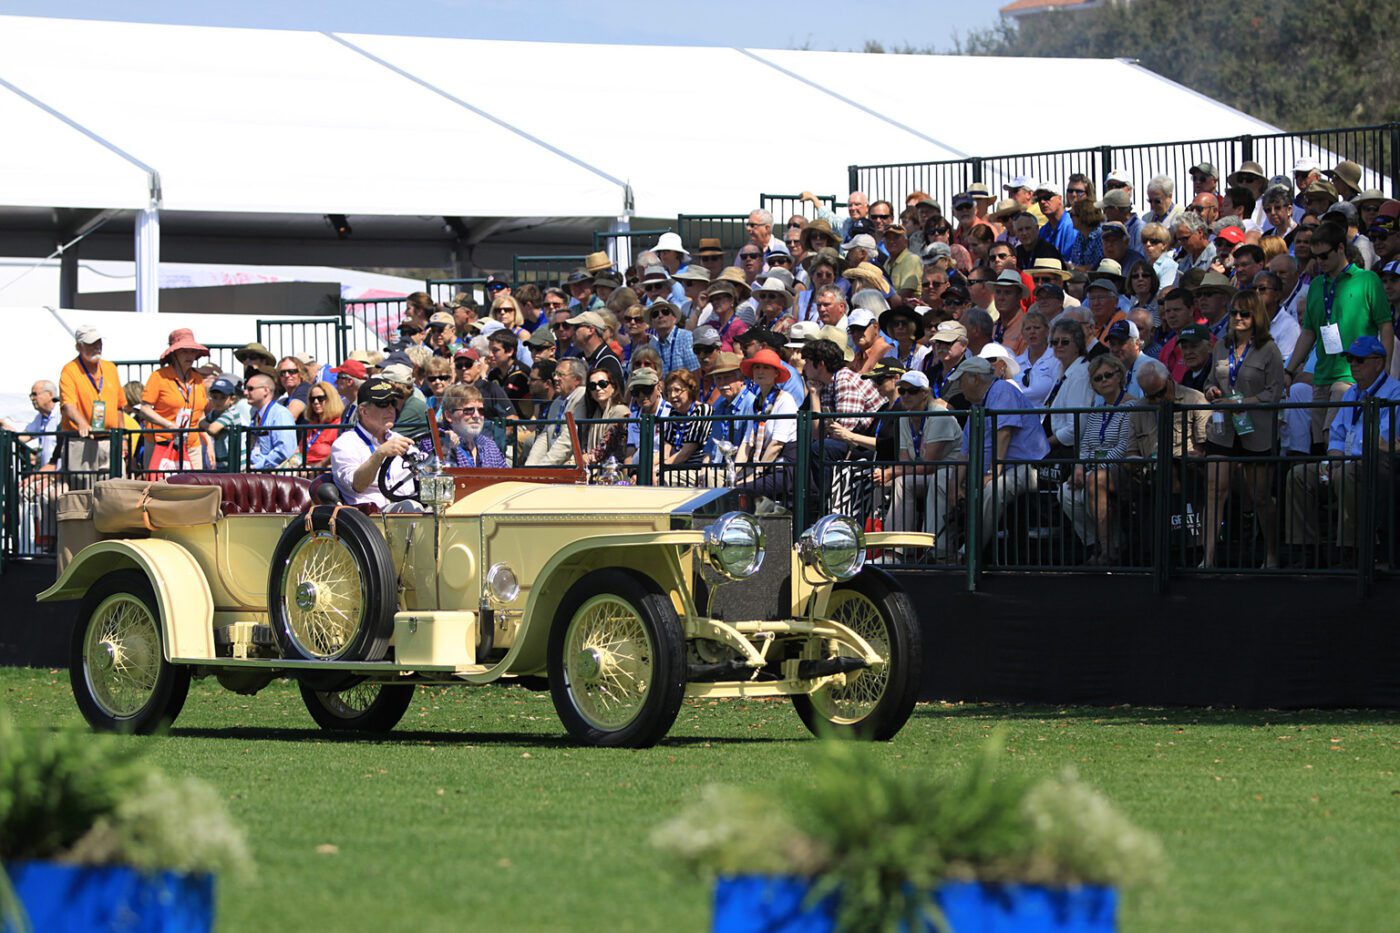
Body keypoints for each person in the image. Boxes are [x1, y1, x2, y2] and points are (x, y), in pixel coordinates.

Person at [1286, 336, 1400, 557]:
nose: (1353, 365)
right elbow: (1337, 433)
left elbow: (1380, 438)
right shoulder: (1351, 392)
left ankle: (1352, 550)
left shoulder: (1395, 392)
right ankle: (1304, 549)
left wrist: (1343, 461)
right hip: (1347, 461)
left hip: (1373, 463)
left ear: (1378, 362)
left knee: (1344, 473)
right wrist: (1334, 458)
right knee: (1298, 475)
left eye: (1359, 360)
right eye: (1350, 360)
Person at [1285, 221, 1395, 448]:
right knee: (1319, 444)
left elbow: (1385, 326)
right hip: (1322, 375)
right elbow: (1308, 333)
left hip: (1352, 376)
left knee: (1335, 441)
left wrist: (1383, 369)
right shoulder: (1316, 285)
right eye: (1315, 257)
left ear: (1341, 249)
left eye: (1324, 256)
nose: (1319, 262)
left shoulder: (1368, 280)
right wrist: (1288, 370)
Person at [1198, 290, 1286, 568]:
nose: (1238, 318)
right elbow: (1210, 380)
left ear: (1256, 316)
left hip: (1256, 430)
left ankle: (1271, 554)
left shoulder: (1269, 349)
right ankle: (1208, 558)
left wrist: (1240, 401)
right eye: (1234, 312)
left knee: (1260, 495)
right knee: (1214, 490)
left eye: (1244, 313)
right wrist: (1212, 391)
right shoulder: (1221, 346)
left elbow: (1274, 393)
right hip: (1224, 428)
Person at [945, 356, 1050, 552]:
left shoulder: (1001, 390)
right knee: (940, 482)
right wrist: (954, 485)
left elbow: (1005, 432)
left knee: (994, 489)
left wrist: (994, 470)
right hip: (995, 469)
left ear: (975, 379)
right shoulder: (977, 406)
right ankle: (941, 551)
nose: (959, 387)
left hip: (1027, 468)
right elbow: (965, 452)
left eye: (961, 381)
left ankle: (969, 553)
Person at [1058, 355, 1135, 563]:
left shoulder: (1131, 407)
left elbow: (1123, 448)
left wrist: (1091, 468)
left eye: (1108, 375)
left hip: (1121, 470)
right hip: (1094, 469)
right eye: (1097, 378)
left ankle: (1108, 550)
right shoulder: (1097, 410)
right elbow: (1085, 445)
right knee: (1065, 493)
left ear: (1119, 376)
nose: (1104, 381)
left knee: (1094, 482)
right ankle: (1098, 542)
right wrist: (1079, 468)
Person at [882, 371, 961, 537]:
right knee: (880, 481)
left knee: (901, 481)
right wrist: (889, 474)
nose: (906, 395)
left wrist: (890, 472)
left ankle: (904, 546)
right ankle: (876, 544)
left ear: (925, 393)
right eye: (902, 391)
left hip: (953, 474)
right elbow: (905, 462)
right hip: (926, 473)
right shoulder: (904, 418)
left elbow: (928, 466)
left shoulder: (939, 415)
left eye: (912, 391)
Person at [329, 376, 417, 510]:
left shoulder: (397, 438)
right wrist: (380, 454)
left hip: (406, 509)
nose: (391, 409)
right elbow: (358, 485)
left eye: (392, 402)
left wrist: (446, 444)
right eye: (383, 404)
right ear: (363, 411)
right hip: (370, 517)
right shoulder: (344, 444)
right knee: (411, 507)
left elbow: (426, 468)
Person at [57, 324, 124, 485]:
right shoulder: (70, 370)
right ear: (79, 346)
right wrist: (82, 423)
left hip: (110, 440)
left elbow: (119, 406)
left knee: (115, 492)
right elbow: (68, 404)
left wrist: (122, 438)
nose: (97, 347)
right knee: (83, 494)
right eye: (91, 343)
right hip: (81, 442)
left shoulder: (110, 368)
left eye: (99, 342)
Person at [141, 328, 209, 472]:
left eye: (192, 351)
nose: (190, 355)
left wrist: (209, 443)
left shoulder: (198, 379)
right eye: (184, 351)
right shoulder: (158, 377)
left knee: (194, 489)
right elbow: (145, 409)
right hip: (161, 444)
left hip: (192, 446)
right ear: (174, 354)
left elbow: (200, 414)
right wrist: (168, 425)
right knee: (160, 490)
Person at [419, 384, 507, 468]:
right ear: (449, 416)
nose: (476, 416)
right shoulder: (434, 442)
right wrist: (445, 446)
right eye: (469, 410)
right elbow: (432, 474)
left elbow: (506, 478)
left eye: (481, 410)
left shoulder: (489, 445)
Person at [1043, 318, 1095, 456]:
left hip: (1066, 453)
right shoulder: (1062, 370)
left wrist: (1044, 444)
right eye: (1054, 342)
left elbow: (1075, 428)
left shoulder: (1081, 374)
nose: (1059, 345)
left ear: (1078, 344)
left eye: (1065, 342)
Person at [660, 369, 712, 479]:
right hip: (676, 468)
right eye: (669, 391)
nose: (672, 395)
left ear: (689, 390)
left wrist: (660, 468)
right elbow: (666, 446)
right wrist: (648, 467)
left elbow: (687, 452)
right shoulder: (674, 413)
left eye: (677, 390)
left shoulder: (702, 410)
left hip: (695, 469)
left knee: (663, 477)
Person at [242, 372, 298, 470]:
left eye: (250, 389)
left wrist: (257, 467)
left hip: (272, 477)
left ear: (265, 390)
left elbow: (283, 450)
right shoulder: (256, 415)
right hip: (257, 472)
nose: (245, 392)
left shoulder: (280, 414)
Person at [580, 363, 630, 468]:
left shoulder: (620, 411)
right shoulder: (594, 414)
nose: (597, 388)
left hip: (615, 468)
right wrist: (583, 454)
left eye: (602, 384)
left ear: (613, 387)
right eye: (592, 386)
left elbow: (606, 444)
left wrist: (588, 456)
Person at [302, 381, 344, 468]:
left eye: (320, 398)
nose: (316, 402)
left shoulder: (339, 425)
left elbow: (339, 454)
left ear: (330, 399)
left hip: (323, 472)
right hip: (304, 469)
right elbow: (299, 451)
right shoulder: (310, 425)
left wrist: (319, 467)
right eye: (312, 399)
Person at [275, 356, 311, 421]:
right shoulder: (286, 400)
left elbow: (289, 418)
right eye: (282, 373)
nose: (287, 375)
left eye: (291, 371)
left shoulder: (305, 389)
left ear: (300, 373)